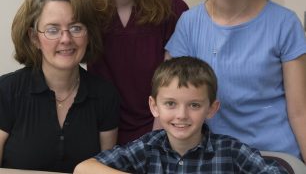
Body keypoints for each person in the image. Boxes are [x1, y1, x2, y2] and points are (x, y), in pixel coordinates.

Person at [165, 0, 306, 162]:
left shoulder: (285, 23)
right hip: (210, 157)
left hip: (273, 157)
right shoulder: (189, 24)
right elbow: (168, 98)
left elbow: (300, 112)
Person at [73, 56, 288, 174]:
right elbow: (83, 168)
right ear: (154, 106)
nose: (181, 115)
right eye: (170, 104)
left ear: (212, 108)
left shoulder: (231, 152)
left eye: (194, 105)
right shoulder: (148, 148)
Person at [84, 0, 189, 145]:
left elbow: (177, 83)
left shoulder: (172, 9)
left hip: (159, 130)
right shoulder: (85, 10)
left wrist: (155, 141)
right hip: (100, 129)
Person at [0, 0, 120, 173]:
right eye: (52, 30)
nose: (66, 39)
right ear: (33, 38)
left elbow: (105, 169)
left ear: (88, 34)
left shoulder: (105, 95)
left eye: (76, 28)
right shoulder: (6, 91)